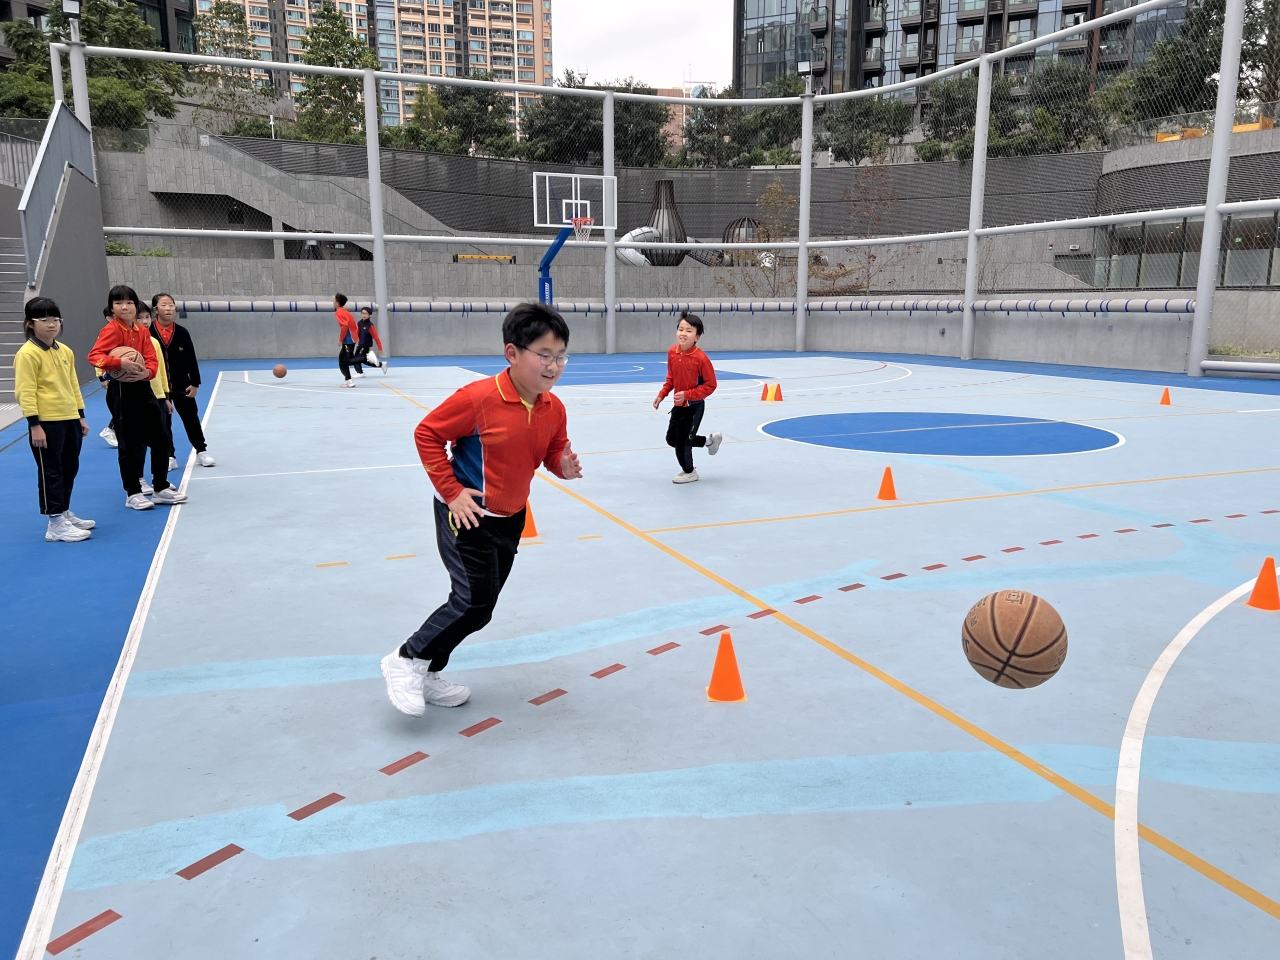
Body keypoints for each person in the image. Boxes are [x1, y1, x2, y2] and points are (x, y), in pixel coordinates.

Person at [381, 303, 583, 717]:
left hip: (510, 518)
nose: (553, 366)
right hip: (466, 516)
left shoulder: (553, 407)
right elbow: (427, 434)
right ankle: (406, 658)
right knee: (471, 602)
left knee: (480, 609)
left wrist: (561, 465)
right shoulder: (478, 398)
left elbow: (550, 451)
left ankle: (428, 670)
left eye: (561, 356)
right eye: (544, 354)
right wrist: (452, 492)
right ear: (513, 353)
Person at [88, 285, 188, 510]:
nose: (124, 307)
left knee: (161, 438)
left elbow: (151, 360)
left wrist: (147, 373)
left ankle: (160, 487)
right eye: (118, 303)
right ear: (112, 308)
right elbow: (94, 357)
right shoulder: (111, 330)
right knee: (130, 443)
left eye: (129, 302)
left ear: (135, 305)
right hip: (121, 390)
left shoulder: (142, 332)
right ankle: (132, 492)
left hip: (144, 388)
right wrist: (118, 362)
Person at [14, 297, 94, 542]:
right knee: (51, 471)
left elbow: (73, 385)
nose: (51, 324)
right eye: (44, 319)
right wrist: (34, 425)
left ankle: (64, 511)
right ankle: (55, 523)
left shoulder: (65, 351)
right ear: (30, 323)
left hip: (69, 418)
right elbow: (25, 391)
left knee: (70, 466)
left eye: (56, 319)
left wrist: (80, 416)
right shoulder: (28, 354)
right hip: (46, 422)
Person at [652, 310, 723, 483]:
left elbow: (711, 385)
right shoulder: (672, 352)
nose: (683, 333)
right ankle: (709, 441)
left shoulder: (701, 359)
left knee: (682, 442)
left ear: (697, 337)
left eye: (689, 331)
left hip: (694, 406)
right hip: (679, 406)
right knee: (671, 439)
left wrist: (688, 395)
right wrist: (662, 394)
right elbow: (671, 378)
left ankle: (690, 471)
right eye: (681, 329)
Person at [151, 293, 215, 468]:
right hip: (159, 388)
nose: (169, 308)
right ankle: (169, 455)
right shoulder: (148, 333)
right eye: (164, 305)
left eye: (171, 305)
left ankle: (201, 451)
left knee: (191, 419)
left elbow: (191, 359)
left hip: (182, 385)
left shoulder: (182, 332)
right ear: (156, 309)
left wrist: (194, 382)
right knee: (163, 422)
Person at [98, 306, 119, 448]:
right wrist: (102, 377)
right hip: (112, 377)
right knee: (120, 408)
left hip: (125, 377)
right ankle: (110, 429)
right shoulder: (106, 334)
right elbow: (98, 357)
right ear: (109, 318)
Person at [352, 306, 388, 375]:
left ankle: (360, 373)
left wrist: (380, 347)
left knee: (357, 358)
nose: (364, 315)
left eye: (366, 314)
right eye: (362, 313)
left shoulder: (370, 326)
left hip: (366, 345)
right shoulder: (359, 323)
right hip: (360, 344)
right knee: (362, 359)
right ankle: (381, 365)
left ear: (370, 315)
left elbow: (376, 337)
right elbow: (356, 333)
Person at [334, 293, 360, 387]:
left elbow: (344, 326)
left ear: (337, 303)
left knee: (345, 360)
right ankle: (348, 379)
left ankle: (366, 358)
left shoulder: (339, 312)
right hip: (352, 338)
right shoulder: (346, 312)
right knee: (343, 359)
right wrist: (355, 336)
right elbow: (354, 325)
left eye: (334, 300)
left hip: (348, 340)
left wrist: (341, 339)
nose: (333, 302)